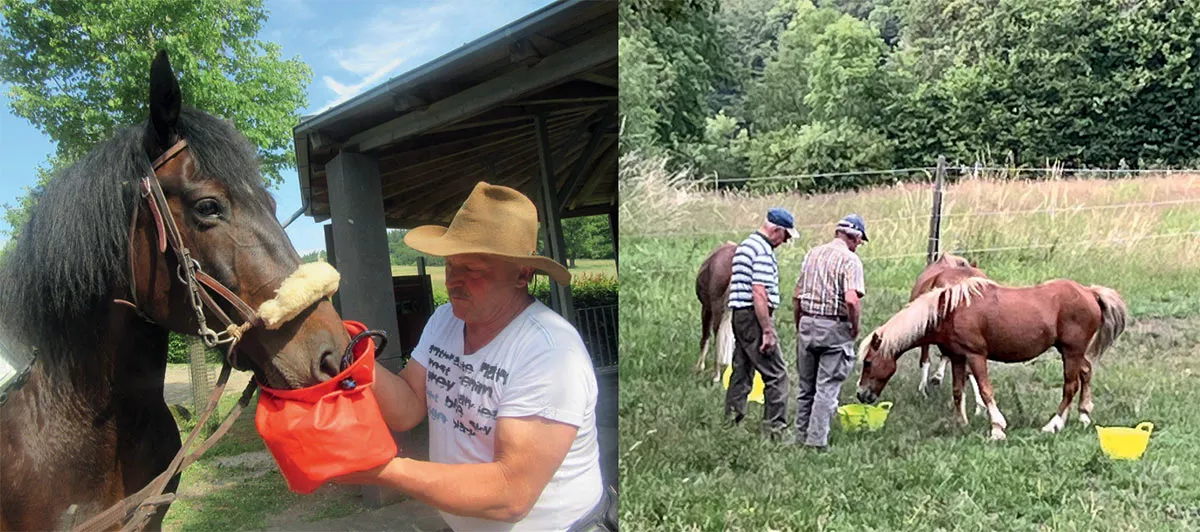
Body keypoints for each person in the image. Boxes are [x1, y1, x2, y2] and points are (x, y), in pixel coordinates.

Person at [333, 182, 613, 532]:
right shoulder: (445, 320)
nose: (454, 281)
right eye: (451, 265)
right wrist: (349, 355)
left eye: (474, 269)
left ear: (522, 275)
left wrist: (381, 470)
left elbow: (511, 494)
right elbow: (408, 407)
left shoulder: (551, 352)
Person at [790, 214, 868, 450]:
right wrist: (854, 327)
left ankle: (799, 436)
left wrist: (800, 323)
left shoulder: (812, 254)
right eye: (859, 241)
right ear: (853, 237)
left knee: (806, 387)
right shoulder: (850, 260)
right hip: (834, 327)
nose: (859, 246)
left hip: (807, 324)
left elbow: (796, 296)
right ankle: (816, 442)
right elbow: (852, 300)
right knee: (826, 388)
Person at [724, 207, 798, 440]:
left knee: (742, 371)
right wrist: (767, 330)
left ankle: (730, 424)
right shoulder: (763, 251)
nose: (785, 242)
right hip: (754, 317)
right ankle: (775, 431)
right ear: (776, 230)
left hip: (739, 315)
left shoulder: (746, 245)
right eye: (785, 236)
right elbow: (759, 292)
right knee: (777, 374)